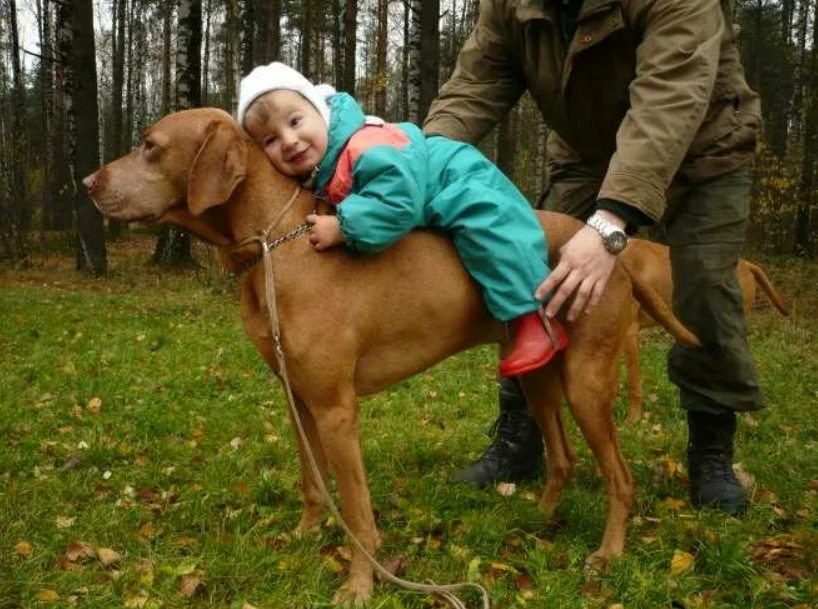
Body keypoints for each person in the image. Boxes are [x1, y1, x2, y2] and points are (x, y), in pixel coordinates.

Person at [423, 0, 763, 514]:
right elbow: (473, 87)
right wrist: (420, 163)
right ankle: (521, 439)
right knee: (530, 272)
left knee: (705, 290)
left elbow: (668, 102)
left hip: (704, 148)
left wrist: (609, 224)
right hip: (587, 153)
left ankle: (711, 449)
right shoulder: (509, 6)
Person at [236, 62, 570, 380]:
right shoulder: (323, 163)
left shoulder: (363, 146)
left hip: (453, 178)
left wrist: (343, 227)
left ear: (320, 112)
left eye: (294, 122)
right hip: (426, 193)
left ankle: (533, 316)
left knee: (489, 227)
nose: (289, 141)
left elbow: (395, 202)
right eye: (270, 140)